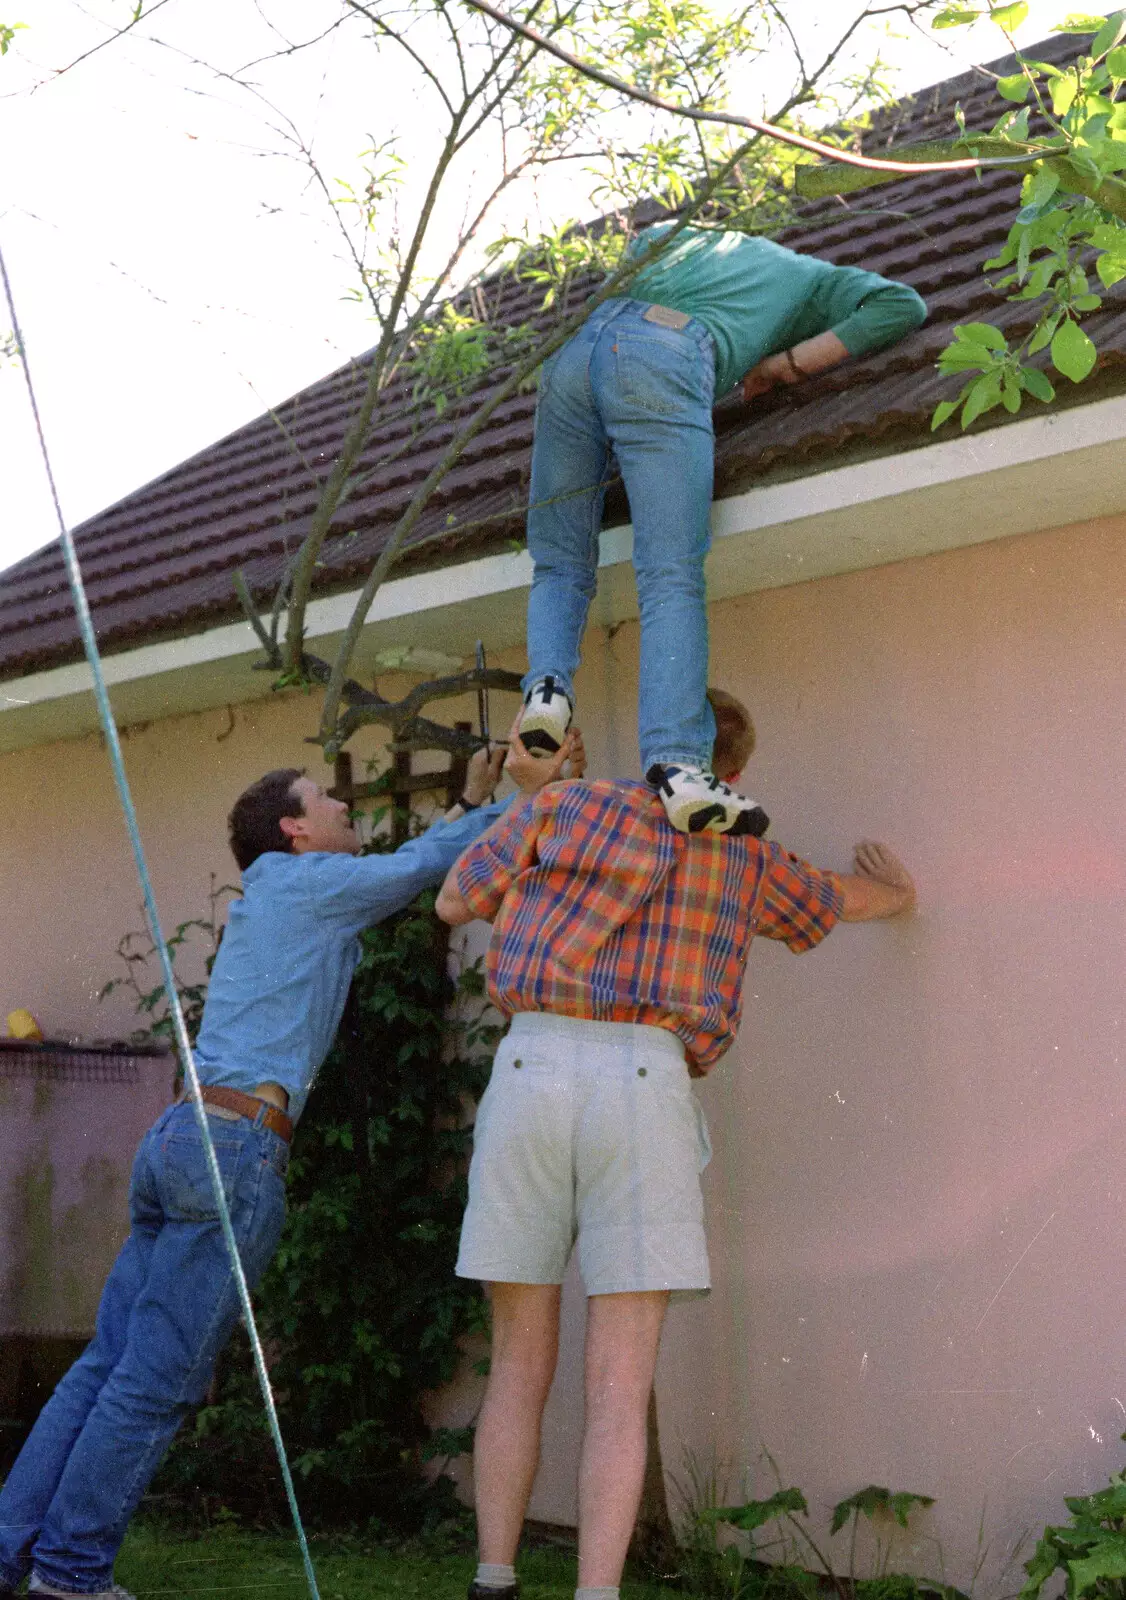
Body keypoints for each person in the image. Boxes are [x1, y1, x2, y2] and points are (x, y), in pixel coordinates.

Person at [0, 734, 577, 1600]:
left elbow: (415, 856)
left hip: (181, 1142)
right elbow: (419, 870)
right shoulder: (309, 886)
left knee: (107, 1366)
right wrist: (522, 797)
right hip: (234, 1150)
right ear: (294, 829)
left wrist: (473, 803)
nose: (346, 808)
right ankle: (72, 1574)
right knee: (154, 1382)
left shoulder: (283, 892)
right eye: (328, 802)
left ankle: (12, 1554)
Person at [435, 689, 916, 1600]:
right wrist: (900, 891)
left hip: (533, 1064)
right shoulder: (741, 852)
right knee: (620, 1381)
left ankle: (494, 1579)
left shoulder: (565, 807)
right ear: (732, 777)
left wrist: (534, 797)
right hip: (647, 1082)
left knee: (519, 1356)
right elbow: (841, 899)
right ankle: (596, 1594)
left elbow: (458, 901)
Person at [517, 222, 927, 836]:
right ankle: (679, 766)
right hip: (666, 352)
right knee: (670, 574)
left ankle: (546, 691)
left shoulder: (677, 234)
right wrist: (788, 362)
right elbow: (902, 303)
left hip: (573, 357)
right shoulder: (816, 280)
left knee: (559, 559)